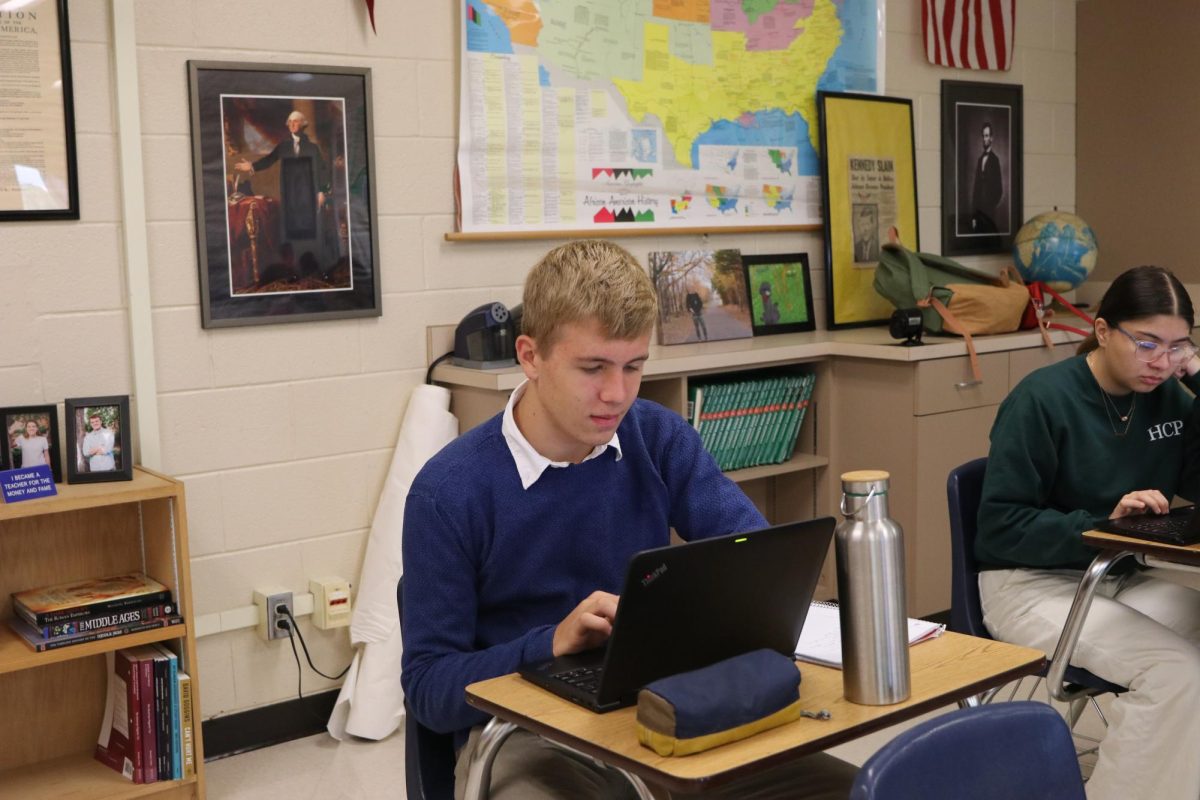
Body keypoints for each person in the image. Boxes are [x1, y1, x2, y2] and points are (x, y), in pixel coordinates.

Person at [401, 240, 856, 799]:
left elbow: (754, 559)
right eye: (592, 368)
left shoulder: (657, 438)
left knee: (861, 790)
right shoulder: (449, 493)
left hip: (668, 702)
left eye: (633, 366)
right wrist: (551, 643)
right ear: (530, 355)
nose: (616, 395)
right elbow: (429, 688)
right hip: (531, 733)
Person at [976, 265, 1200, 800]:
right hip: (1029, 584)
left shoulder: (1169, 395)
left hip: (1117, 576)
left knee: (1179, 671)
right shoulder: (1041, 400)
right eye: (1147, 343)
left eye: (1178, 347)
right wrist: (1103, 527)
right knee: (1175, 674)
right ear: (1101, 331)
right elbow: (1000, 525)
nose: (1162, 362)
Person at [234, 110, 331, 254]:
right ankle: (296, 267)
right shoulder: (283, 146)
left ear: (303, 124)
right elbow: (269, 160)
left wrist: (322, 191)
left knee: (310, 230)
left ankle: (312, 265)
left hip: (308, 196)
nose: (292, 124)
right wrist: (252, 166)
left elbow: (321, 170)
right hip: (290, 196)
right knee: (292, 232)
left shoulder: (312, 148)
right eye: (290, 122)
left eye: (296, 121)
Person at [969, 122, 1003, 233]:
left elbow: (999, 189)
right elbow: (976, 188)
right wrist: (974, 215)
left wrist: (990, 206)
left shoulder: (995, 160)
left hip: (989, 213)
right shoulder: (980, 160)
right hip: (978, 212)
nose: (984, 139)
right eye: (983, 136)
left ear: (991, 138)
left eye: (987, 136)